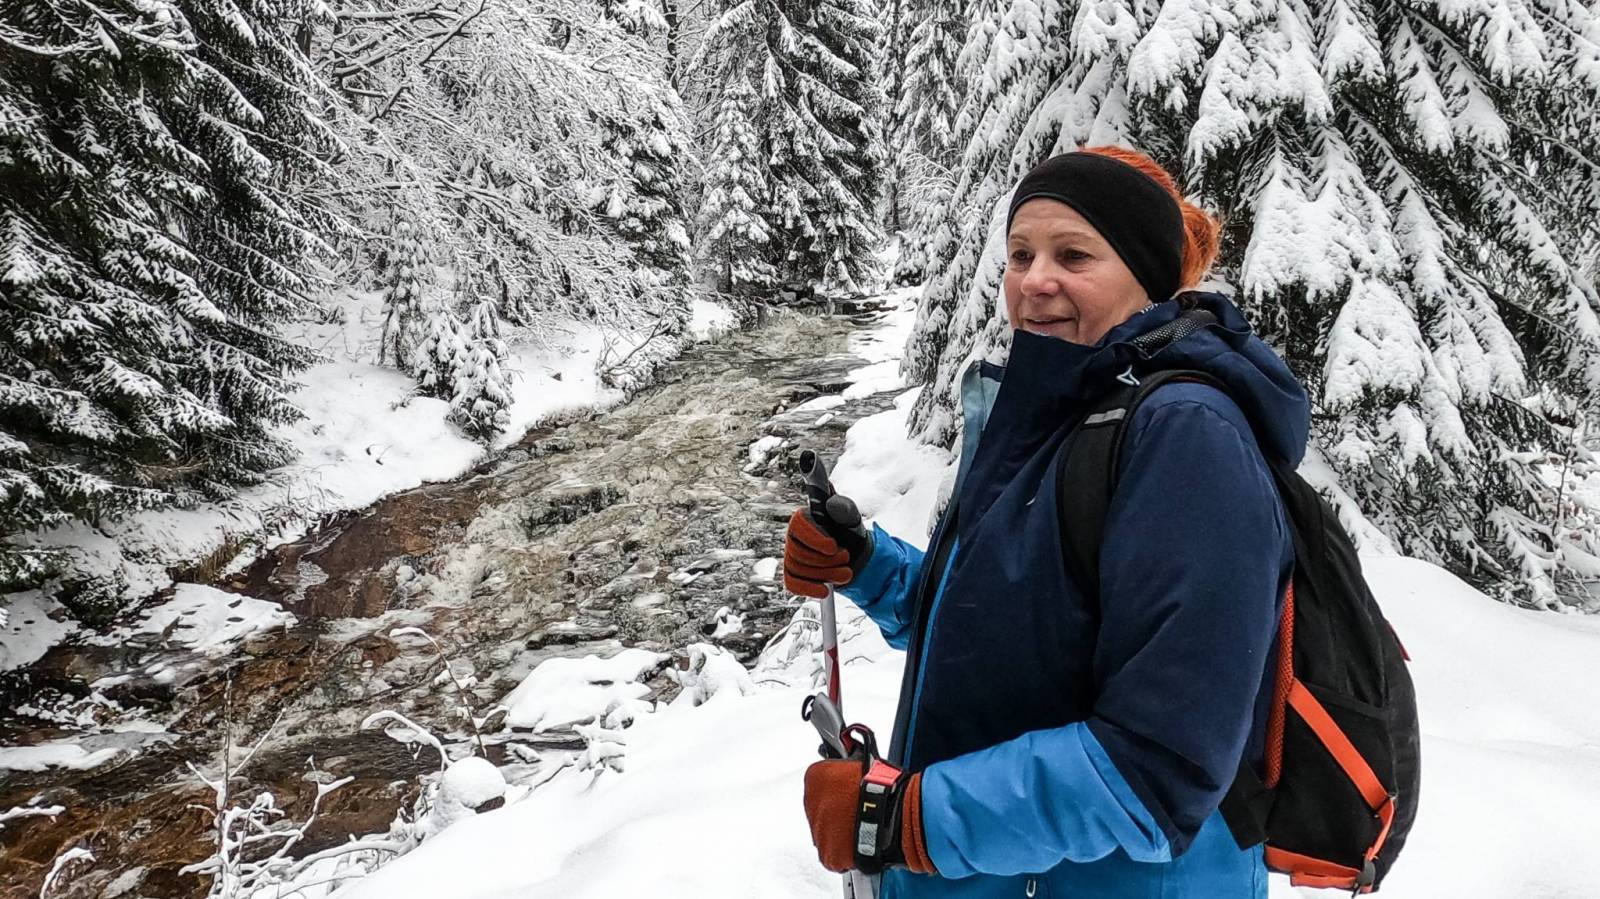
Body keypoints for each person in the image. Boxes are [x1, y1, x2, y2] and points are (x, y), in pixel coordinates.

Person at [785, 146, 1311, 898]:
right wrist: (868, 565)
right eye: (1020, 254)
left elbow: (1158, 769)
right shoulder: (1058, 408)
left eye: (1074, 255)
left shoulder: (1187, 437)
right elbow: (1011, 632)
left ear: (1145, 277)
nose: (1035, 280)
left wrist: (904, 820)